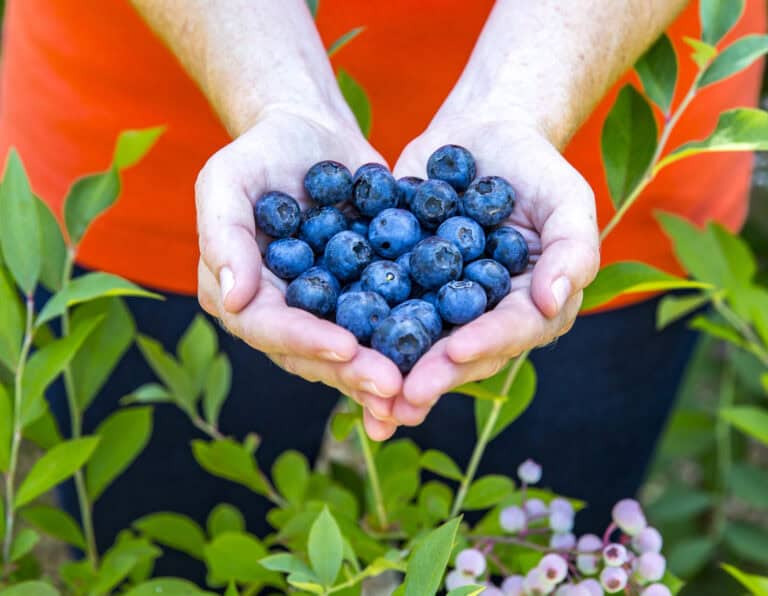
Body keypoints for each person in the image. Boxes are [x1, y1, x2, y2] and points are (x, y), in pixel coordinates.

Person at [0, 0, 763, 580]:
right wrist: (276, 96)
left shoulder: (484, 234)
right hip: (150, 151)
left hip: (587, 147)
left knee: (519, 558)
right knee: (179, 553)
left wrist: (521, 101)